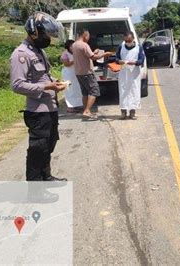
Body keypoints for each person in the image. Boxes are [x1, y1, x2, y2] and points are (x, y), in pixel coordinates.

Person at [10, 12, 67, 191]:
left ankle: (46, 176)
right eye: (47, 35)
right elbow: (17, 85)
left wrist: (53, 83)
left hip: (50, 107)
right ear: (34, 32)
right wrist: (46, 87)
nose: (48, 38)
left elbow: (42, 77)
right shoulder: (21, 54)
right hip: (37, 111)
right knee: (37, 149)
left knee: (48, 145)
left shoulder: (38, 51)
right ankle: (35, 190)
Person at [72, 29, 113, 120]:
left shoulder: (74, 45)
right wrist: (105, 54)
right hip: (87, 72)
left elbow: (87, 55)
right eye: (88, 36)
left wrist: (94, 52)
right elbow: (93, 58)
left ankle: (86, 110)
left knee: (85, 92)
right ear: (84, 35)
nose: (89, 38)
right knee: (94, 91)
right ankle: (87, 111)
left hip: (79, 72)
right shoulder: (84, 45)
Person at [115, 31, 146, 120]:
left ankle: (132, 112)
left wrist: (135, 62)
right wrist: (119, 61)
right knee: (123, 90)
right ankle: (123, 112)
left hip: (134, 74)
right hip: (123, 73)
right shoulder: (121, 46)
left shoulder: (138, 47)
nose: (128, 42)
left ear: (133, 39)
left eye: (129, 40)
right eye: (126, 41)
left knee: (134, 91)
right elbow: (116, 58)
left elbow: (141, 60)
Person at [61, 40, 83, 113]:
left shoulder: (76, 53)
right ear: (68, 47)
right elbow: (66, 64)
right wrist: (75, 60)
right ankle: (70, 107)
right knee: (69, 89)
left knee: (77, 89)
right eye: (71, 46)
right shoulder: (65, 54)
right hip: (68, 74)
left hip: (76, 73)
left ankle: (78, 105)